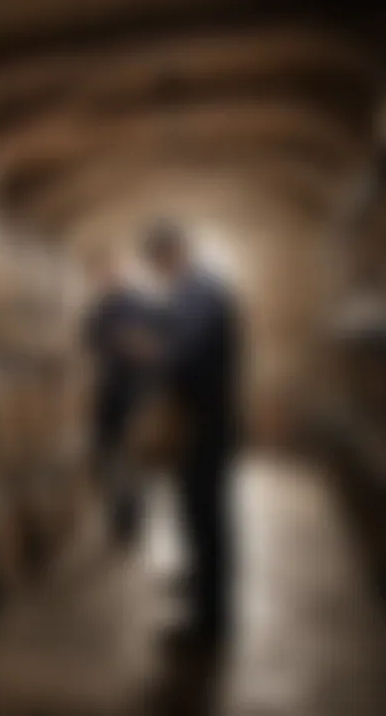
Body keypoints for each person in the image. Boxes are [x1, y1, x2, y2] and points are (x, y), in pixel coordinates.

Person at [141, 221, 241, 654]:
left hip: (202, 422)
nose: (159, 272)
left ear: (174, 251)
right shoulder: (203, 290)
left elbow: (188, 357)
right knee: (202, 517)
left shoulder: (197, 293)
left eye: (159, 262)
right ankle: (206, 607)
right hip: (208, 419)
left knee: (203, 520)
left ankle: (208, 623)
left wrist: (153, 353)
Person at [81, 246, 167, 548]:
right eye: (104, 271)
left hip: (136, 394)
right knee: (110, 460)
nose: (109, 276)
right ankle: (119, 520)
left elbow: (158, 346)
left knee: (133, 463)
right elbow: (89, 341)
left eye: (113, 269)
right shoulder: (102, 308)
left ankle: (131, 522)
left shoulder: (143, 305)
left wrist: (137, 347)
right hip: (110, 394)